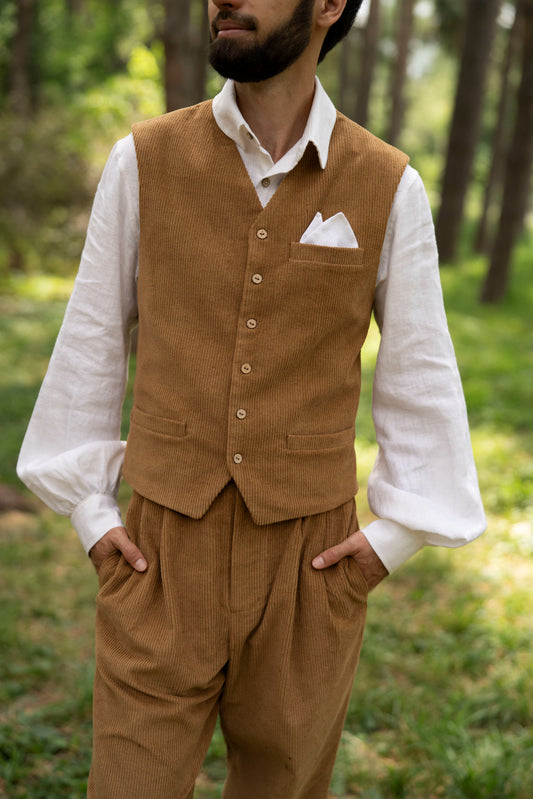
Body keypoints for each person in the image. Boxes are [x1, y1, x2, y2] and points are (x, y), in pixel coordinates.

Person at [17, 0, 487, 796]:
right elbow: (90, 343)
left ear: (329, 6)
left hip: (310, 564)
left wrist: (388, 544)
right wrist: (93, 518)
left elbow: (421, 375)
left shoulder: (385, 183)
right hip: (158, 552)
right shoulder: (144, 160)